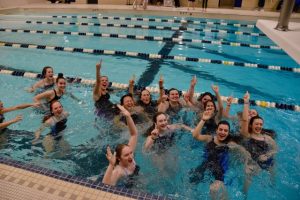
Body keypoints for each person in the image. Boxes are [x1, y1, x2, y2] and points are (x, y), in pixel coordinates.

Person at [190, 110, 256, 199]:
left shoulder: (229, 144)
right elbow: (195, 136)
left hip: (219, 170)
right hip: (204, 166)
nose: (222, 132)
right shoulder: (209, 139)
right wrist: (203, 120)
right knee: (191, 184)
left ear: (228, 133)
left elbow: (244, 152)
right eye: (220, 129)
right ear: (216, 130)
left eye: (225, 131)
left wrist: (248, 163)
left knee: (214, 189)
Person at [240, 92, 277, 194]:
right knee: (248, 172)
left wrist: (268, 154)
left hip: (267, 161)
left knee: (272, 180)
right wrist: (246, 102)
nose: (259, 126)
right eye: (257, 124)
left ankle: (273, 188)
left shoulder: (267, 138)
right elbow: (244, 120)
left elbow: (275, 149)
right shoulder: (247, 135)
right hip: (253, 163)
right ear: (251, 125)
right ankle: (244, 195)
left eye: (261, 124)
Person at [102, 105, 139, 186]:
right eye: (126, 155)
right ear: (119, 158)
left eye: (131, 153)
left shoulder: (130, 153)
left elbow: (134, 134)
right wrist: (111, 165)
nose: (130, 156)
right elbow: (106, 185)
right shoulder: (119, 171)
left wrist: (128, 116)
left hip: (135, 177)